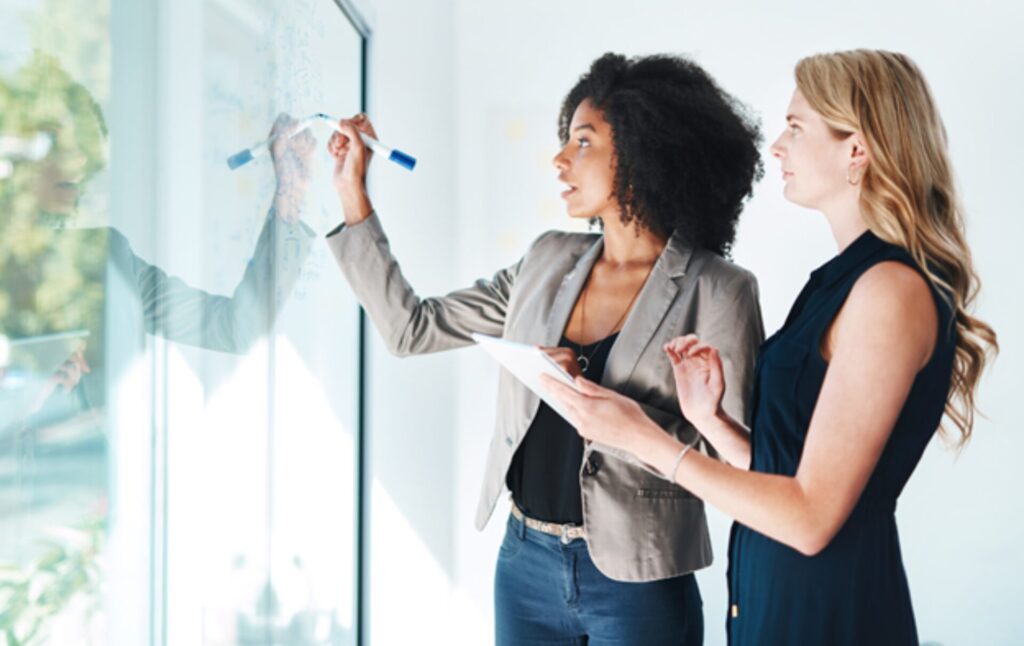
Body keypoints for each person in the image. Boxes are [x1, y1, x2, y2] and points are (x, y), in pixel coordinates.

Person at [543, 49, 999, 645]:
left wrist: (644, 439)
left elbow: (810, 518)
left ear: (855, 151)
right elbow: (791, 474)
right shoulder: (839, 282)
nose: (777, 147)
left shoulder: (890, 291)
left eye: (796, 126)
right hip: (775, 603)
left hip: (831, 614)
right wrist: (713, 422)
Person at [325, 52, 764, 644]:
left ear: (644, 153)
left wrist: (599, 402)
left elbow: (748, 470)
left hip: (639, 579)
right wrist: (353, 192)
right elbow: (412, 328)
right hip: (524, 563)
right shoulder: (546, 259)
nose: (560, 159)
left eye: (582, 142)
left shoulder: (719, 290)